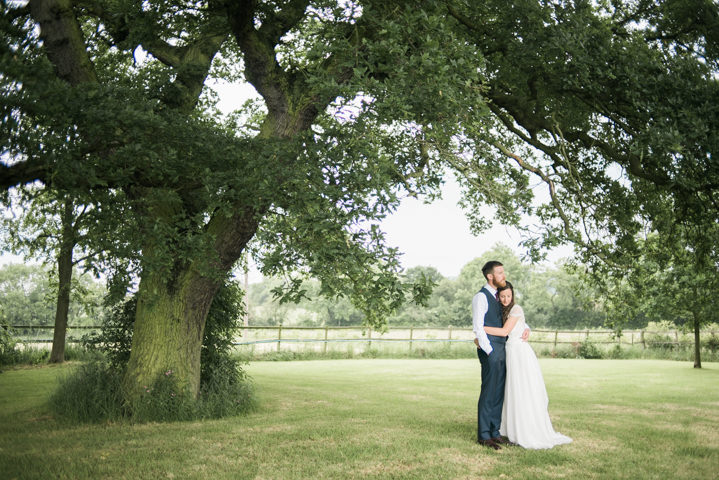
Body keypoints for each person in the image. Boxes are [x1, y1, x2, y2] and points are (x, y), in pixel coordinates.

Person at [483, 281, 572, 449]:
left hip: (520, 353)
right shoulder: (502, 310)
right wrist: (527, 327)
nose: (505, 299)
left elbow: (504, 331)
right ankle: (510, 428)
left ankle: (526, 429)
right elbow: (517, 325)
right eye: (502, 296)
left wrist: (480, 328)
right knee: (512, 390)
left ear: (513, 295)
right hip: (510, 353)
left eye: (508, 296)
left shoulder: (516, 309)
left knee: (523, 389)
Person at [472, 261, 529, 450]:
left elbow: (511, 317)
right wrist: (489, 351)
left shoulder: (498, 296)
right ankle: (484, 435)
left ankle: (495, 432)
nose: (503, 275)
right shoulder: (481, 297)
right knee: (489, 392)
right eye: (500, 272)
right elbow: (478, 327)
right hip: (491, 350)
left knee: (498, 392)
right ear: (490, 276)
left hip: (503, 349)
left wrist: (526, 328)